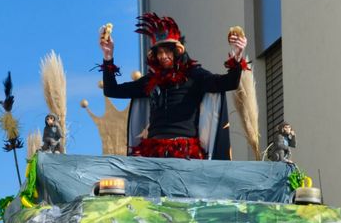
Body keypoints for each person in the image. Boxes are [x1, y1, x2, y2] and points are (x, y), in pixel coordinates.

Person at [99, 13, 248, 159]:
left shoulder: (194, 74)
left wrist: (237, 56)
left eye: (167, 51)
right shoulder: (149, 80)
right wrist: (108, 57)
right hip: (153, 153)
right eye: (159, 52)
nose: (163, 56)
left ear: (177, 51)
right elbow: (112, 90)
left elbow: (228, 83)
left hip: (185, 154)